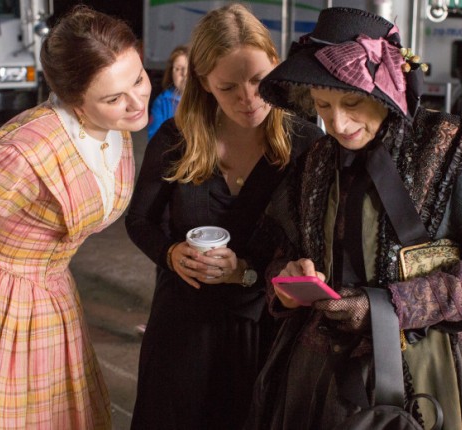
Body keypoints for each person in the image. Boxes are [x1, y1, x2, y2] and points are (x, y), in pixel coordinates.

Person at [245, 7, 462, 430]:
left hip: (430, 370)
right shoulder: (313, 163)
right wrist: (287, 282)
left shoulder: (455, 150)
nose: (337, 122)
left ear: (389, 86)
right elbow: (279, 255)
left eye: (351, 102)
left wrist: (390, 308)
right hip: (318, 376)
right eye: (323, 105)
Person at [0, 6, 150, 429]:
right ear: (74, 101)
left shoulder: (117, 129)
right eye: (113, 98)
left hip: (53, 295)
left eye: (139, 79)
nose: (136, 102)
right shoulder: (21, 155)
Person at [125, 3, 324, 429]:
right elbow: (139, 221)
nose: (248, 99)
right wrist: (170, 254)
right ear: (203, 82)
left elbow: (315, 247)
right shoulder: (176, 139)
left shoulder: (306, 144)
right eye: (228, 87)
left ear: (276, 65)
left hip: (264, 332)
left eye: (258, 80)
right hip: (182, 332)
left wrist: (246, 273)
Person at [147, 45, 189, 141]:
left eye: (189, 68)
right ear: (171, 73)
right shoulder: (161, 102)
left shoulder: (205, 100)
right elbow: (154, 140)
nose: (184, 74)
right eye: (178, 69)